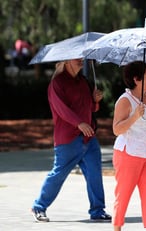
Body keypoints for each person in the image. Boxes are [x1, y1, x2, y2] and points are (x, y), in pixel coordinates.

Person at [31, 59, 111, 222]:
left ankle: (97, 210)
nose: (81, 61)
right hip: (68, 139)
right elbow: (61, 109)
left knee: (95, 174)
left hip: (89, 139)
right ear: (66, 61)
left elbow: (90, 108)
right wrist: (79, 123)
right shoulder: (57, 83)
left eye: (81, 58)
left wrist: (95, 101)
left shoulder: (83, 81)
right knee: (58, 174)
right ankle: (38, 207)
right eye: (77, 59)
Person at [111, 61, 146, 231]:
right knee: (123, 195)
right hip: (128, 154)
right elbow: (116, 129)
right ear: (136, 79)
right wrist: (134, 116)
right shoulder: (125, 100)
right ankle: (117, 228)